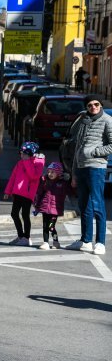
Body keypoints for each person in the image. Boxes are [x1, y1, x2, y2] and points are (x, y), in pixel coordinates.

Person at [65, 95, 111, 255]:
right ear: (86, 107)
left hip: (96, 167)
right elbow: (78, 145)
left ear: (101, 105)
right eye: (90, 105)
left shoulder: (107, 120)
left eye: (96, 104)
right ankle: (85, 240)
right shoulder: (84, 121)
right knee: (84, 205)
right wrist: (74, 172)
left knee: (97, 204)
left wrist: (95, 152)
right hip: (81, 167)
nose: (94, 107)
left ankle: (100, 242)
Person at [3, 142, 45, 247]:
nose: (21, 156)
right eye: (21, 153)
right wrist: (7, 191)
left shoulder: (38, 162)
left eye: (24, 154)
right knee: (14, 213)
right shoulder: (20, 163)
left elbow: (33, 176)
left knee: (25, 215)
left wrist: (27, 162)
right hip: (17, 192)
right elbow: (13, 177)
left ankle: (27, 237)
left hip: (28, 193)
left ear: (30, 154)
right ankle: (21, 236)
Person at [33, 162, 70, 250]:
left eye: (53, 172)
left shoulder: (62, 183)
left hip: (55, 210)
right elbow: (39, 193)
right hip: (45, 208)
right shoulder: (45, 181)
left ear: (58, 173)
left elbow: (69, 190)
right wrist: (37, 205)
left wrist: (67, 179)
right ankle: (45, 242)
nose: (50, 174)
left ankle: (55, 241)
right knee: (45, 226)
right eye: (49, 172)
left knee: (51, 226)